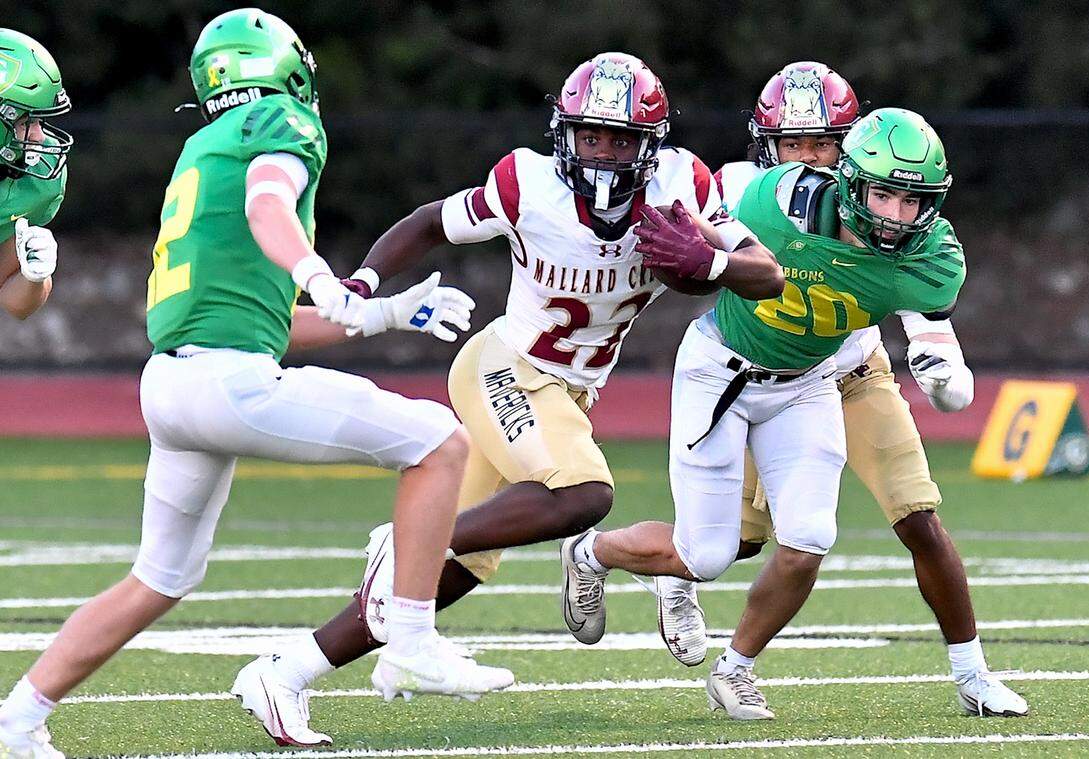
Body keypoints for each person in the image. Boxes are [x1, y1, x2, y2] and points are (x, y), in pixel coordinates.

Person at [233, 51, 783, 746]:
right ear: (565, 134)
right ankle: (407, 538)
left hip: (568, 392)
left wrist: (711, 263)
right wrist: (366, 282)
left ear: (652, 145)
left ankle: (283, 673)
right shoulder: (527, 182)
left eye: (621, 139)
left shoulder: (683, 184)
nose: (605, 154)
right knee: (584, 494)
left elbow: (767, 275)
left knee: (450, 577)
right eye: (591, 136)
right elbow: (432, 220)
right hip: (507, 367)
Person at [0, 10, 511, 756]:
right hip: (223, 387)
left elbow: (264, 322)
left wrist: (385, 312)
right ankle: (411, 636)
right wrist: (315, 270)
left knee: (159, 577)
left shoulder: (201, 149)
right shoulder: (281, 120)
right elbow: (269, 202)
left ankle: (15, 720)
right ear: (285, 70)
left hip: (175, 385)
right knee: (440, 442)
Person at [563, 107, 1022, 721]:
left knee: (808, 540)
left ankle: (735, 671)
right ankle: (590, 553)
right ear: (850, 181)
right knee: (709, 554)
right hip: (721, 373)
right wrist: (699, 243)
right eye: (882, 193)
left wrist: (946, 380)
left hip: (809, 384)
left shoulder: (932, 258)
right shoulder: (778, 199)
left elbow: (931, 326)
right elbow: (711, 240)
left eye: (911, 201)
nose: (893, 214)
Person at [0, 28, 71, 322]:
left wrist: (34, 276)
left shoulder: (35, 183)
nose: (40, 137)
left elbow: (14, 302)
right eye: (26, 121)